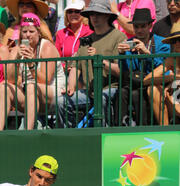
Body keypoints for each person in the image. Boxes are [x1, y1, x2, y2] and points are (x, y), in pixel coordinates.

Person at [57, 0, 126, 128]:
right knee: (61, 101)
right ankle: (69, 138)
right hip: (89, 92)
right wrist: (70, 86)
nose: (94, 17)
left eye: (98, 14)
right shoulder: (86, 40)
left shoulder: (119, 37)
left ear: (107, 16)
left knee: (101, 98)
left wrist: (100, 61)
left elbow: (122, 71)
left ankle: (102, 137)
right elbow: (76, 67)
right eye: (91, 14)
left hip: (111, 89)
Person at [7, 13, 66, 129]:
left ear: (38, 33)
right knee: (4, 87)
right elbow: (10, 79)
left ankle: (28, 132)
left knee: (31, 86)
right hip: (31, 95)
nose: (28, 35)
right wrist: (17, 59)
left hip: (53, 93)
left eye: (31, 31)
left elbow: (45, 80)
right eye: (24, 32)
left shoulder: (47, 47)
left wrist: (31, 63)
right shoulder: (16, 49)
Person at [115, 8, 170, 126]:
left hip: (156, 84)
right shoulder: (129, 43)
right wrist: (122, 54)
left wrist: (147, 54)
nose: (139, 30)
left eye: (143, 26)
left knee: (136, 94)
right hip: (135, 82)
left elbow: (164, 67)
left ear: (150, 25)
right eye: (136, 26)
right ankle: (119, 128)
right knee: (121, 92)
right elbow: (125, 71)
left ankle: (143, 129)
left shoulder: (162, 43)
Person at [143, 22, 180, 124]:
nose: (177, 43)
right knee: (154, 89)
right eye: (174, 40)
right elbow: (146, 80)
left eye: (179, 40)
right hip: (175, 99)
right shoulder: (172, 60)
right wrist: (172, 78)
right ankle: (165, 130)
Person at [55, 0, 93, 69]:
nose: (73, 14)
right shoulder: (60, 33)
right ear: (66, 14)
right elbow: (56, 58)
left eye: (77, 11)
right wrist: (64, 67)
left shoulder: (90, 31)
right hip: (65, 73)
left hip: (84, 72)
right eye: (70, 12)